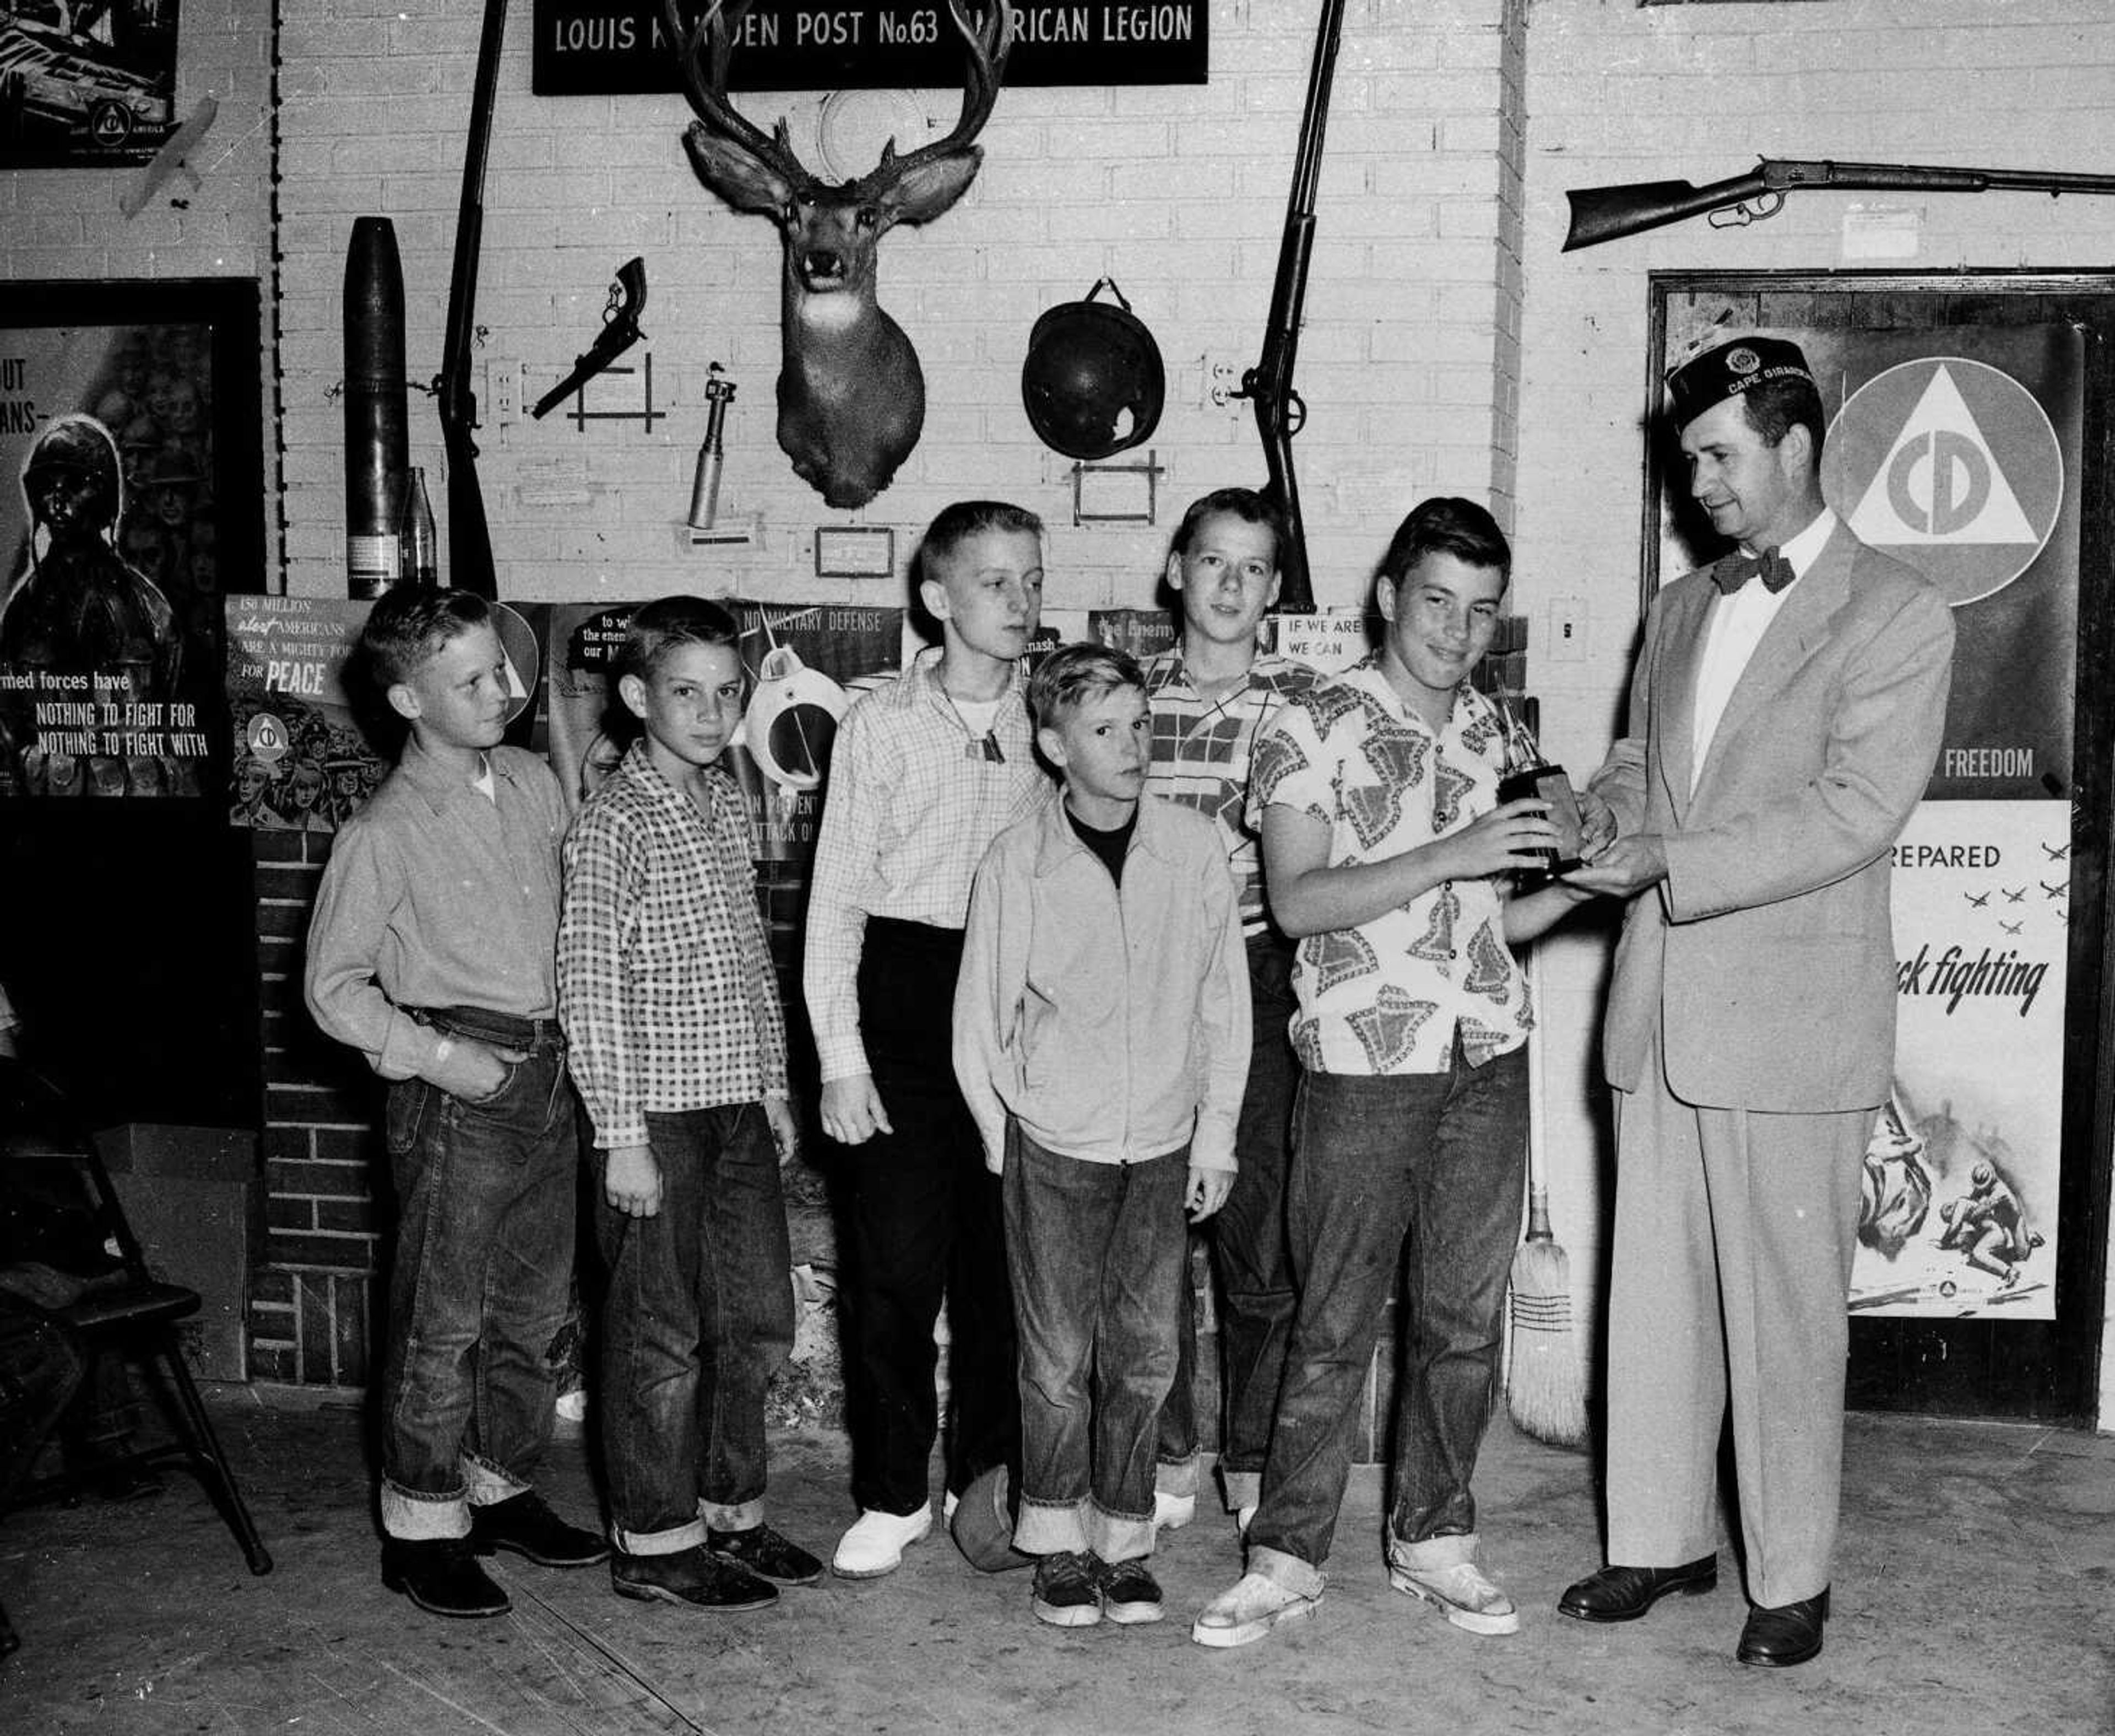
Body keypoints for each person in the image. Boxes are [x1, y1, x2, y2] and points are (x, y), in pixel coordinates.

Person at [1557, 334, 1954, 1669]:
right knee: (1655, 1301)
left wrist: (1668, 860)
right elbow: (1638, 765)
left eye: (1720, 458)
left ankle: (1792, 1577)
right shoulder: (1677, 608)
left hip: (1790, 1027)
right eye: (1687, 465)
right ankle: (1659, 1538)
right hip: (1661, 1009)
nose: (1700, 487)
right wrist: (1591, 815)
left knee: (1786, 1317)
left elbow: (1856, 811)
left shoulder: (1897, 610)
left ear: (1796, 446)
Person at [1192, 497, 1590, 1650]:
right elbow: (1302, 901)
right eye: (1436, 604)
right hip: (1367, 1060)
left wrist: (1593, 887)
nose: (1458, 633)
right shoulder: (1308, 717)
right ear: (1387, 597)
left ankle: (1435, 1539)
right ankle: (1285, 1555)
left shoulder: (1502, 734)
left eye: (1480, 611)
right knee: (1333, 1319)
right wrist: (1454, 853)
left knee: (1463, 1322)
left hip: (1486, 1055)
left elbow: (1501, 924)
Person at [305, 588, 606, 1620]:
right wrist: (435, 1057)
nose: (504, 691)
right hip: (460, 1088)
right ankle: (422, 1526)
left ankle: (501, 1488)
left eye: (503, 671)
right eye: (473, 680)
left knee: (532, 1312)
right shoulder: (383, 831)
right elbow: (331, 988)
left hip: (552, 1076)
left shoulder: (529, 780)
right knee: (443, 1323)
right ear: (406, 699)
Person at [953, 643, 1251, 1628]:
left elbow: (1223, 1007)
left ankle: (1123, 1541)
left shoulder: (1194, 849)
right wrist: (1012, 1142)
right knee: (1053, 1362)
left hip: (1161, 1146)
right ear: (1053, 745)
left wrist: (1216, 1139)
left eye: (1139, 725)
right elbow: (980, 1019)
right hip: (1056, 1149)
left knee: (1145, 1357)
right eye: (1105, 731)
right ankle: (1054, 1543)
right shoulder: (1019, 859)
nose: (1133, 748)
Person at [557, 596, 821, 1612]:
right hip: (655, 1122)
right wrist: (621, 1140)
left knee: (754, 1318)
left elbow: (753, 961)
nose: (712, 714)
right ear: (637, 696)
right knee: (656, 1336)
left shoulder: (718, 799)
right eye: (686, 693)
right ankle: (656, 1543)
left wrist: (771, 1086)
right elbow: (589, 984)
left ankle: (732, 1516)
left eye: (727, 692)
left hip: (735, 1110)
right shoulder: (616, 821)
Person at [803, 500, 1050, 1578]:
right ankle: (894, 1491)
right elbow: (836, 905)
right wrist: (842, 1057)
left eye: (1033, 580)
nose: (1021, 602)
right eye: (996, 582)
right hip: (903, 999)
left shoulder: (1056, 719)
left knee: (1006, 1271)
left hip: (1017, 1005)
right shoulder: (880, 724)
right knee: (894, 1266)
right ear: (936, 599)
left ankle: (987, 1486)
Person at [1140, 487, 1315, 1533]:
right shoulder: (1125, 692)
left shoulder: (1304, 702)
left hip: (1258, 974)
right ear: (1177, 569)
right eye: (1213, 562)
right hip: (1146, 983)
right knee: (1151, 1237)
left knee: (1257, 1238)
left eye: (1253, 569)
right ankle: (1164, 1460)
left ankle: (1250, 1464)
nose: (1231, 585)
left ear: (1276, 591)